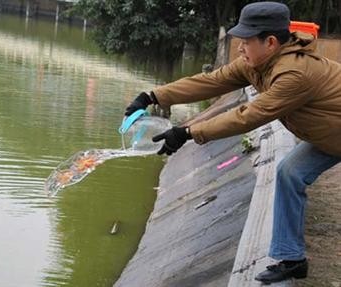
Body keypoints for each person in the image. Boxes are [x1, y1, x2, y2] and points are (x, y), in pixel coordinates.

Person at [124, 1, 341, 284]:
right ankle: (292, 259)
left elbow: (248, 116)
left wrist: (189, 132)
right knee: (290, 172)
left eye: (246, 42)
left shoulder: (294, 73)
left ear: (271, 42)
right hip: (328, 136)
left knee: (291, 172)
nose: (239, 48)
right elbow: (210, 81)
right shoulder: (258, 64)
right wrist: (152, 96)